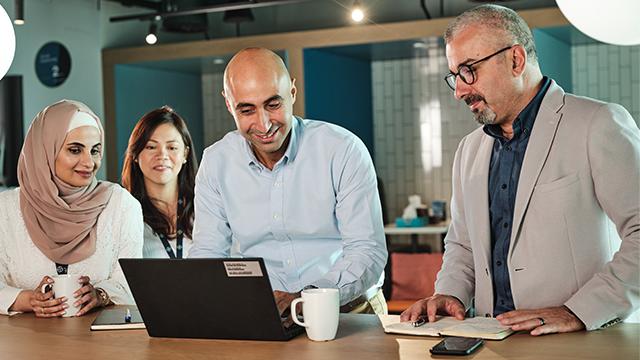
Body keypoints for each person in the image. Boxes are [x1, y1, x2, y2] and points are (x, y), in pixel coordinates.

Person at [401, 4, 639, 335]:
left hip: (580, 342)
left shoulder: (598, 123)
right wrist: (449, 293)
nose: (459, 91)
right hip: (488, 340)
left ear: (516, 60)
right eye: (454, 76)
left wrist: (578, 312)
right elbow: (462, 246)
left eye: (469, 70)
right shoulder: (468, 150)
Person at [190, 48, 388, 316]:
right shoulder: (215, 162)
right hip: (265, 316)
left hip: (350, 311)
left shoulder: (342, 149)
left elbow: (367, 252)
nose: (263, 124)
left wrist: (309, 299)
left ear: (292, 92)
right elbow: (207, 256)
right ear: (228, 104)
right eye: (246, 110)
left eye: (273, 104)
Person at [0, 100, 144, 317]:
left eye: (95, 151)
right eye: (75, 150)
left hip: (102, 346)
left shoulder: (121, 205)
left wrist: (101, 295)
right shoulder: (5, 209)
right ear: (45, 150)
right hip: (24, 344)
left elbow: (134, 284)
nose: (89, 163)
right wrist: (27, 300)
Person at [122, 106, 197, 259]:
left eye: (172, 147)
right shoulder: (125, 215)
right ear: (135, 154)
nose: (162, 155)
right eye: (151, 147)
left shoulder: (207, 208)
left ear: (185, 154)